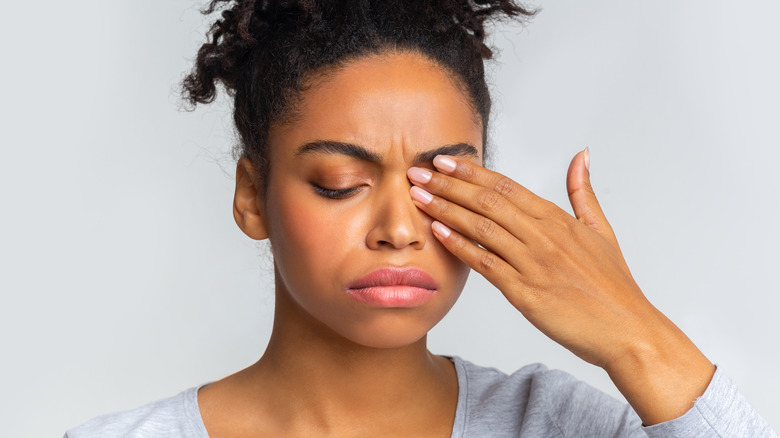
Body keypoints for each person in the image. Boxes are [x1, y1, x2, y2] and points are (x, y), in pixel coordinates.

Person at [65, 0, 778, 436]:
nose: (399, 229)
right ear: (253, 196)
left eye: (438, 182)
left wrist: (636, 337)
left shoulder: (556, 426)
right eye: (340, 182)